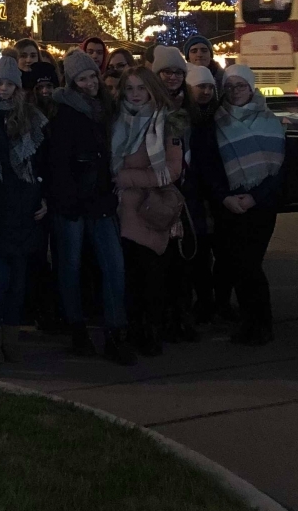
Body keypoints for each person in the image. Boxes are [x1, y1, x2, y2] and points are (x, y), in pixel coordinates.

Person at [42, 49, 131, 362]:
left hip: (101, 197)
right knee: (70, 265)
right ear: (72, 81)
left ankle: (115, 331)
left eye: (93, 75)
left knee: (114, 266)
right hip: (72, 201)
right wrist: (68, 198)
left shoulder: (106, 107)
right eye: (83, 77)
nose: (90, 82)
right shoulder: (63, 110)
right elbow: (57, 161)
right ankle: (77, 328)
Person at [0, 56, 47, 364]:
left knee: (18, 282)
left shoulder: (31, 117)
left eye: (10, 83)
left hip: (24, 206)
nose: (3, 89)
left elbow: (39, 163)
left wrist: (42, 198)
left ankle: (10, 338)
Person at [112, 66, 187, 357]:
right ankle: (133, 328)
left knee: (151, 277)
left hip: (150, 210)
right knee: (129, 278)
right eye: (129, 88)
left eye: (141, 88)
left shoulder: (167, 121)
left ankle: (152, 331)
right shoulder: (116, 120)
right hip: (120, 211)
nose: (135, 95)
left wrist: (127, 178)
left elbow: (172, 171)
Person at [211, 65, 285, 345]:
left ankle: (261, 323)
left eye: (240, 86)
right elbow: (212, 166)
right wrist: (225, 197)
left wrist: (256, 196)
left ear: (252, 88)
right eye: (229, 86)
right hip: (229, 204)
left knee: (251, 264)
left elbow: (279, 170)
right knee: (235, 264)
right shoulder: (217, 120)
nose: (235, 91)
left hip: (260, 205)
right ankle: (247, 321)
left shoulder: (270, 120)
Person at [181, 65, 226, 324]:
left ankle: (213, 302)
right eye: (201, 86)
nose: (207, 91)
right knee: (196, 254)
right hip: (194, 195)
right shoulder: (185, 118)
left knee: (215, 253)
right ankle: (198, 304)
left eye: (210, 87)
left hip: (215, 194)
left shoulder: (218, 116)